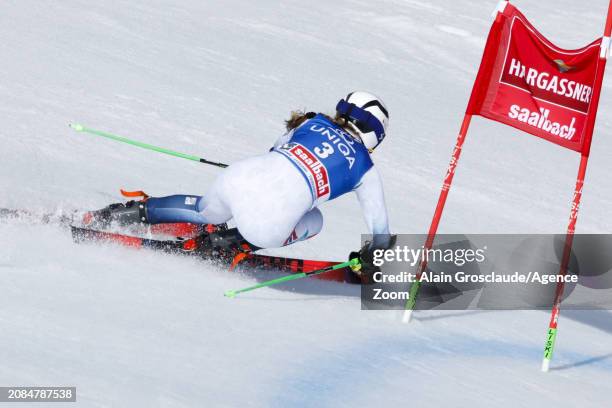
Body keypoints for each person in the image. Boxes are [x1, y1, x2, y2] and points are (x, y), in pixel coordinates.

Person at [86, 91, 392, 275]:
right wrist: (368, 261)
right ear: (374, 134)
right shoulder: (367, 170)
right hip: (266, 225)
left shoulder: (312, 121)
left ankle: (125, 213)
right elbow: (380, 235)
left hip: (237, 178)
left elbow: (276, 151)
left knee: (207, 212)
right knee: (315, 220)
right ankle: (224, 245)